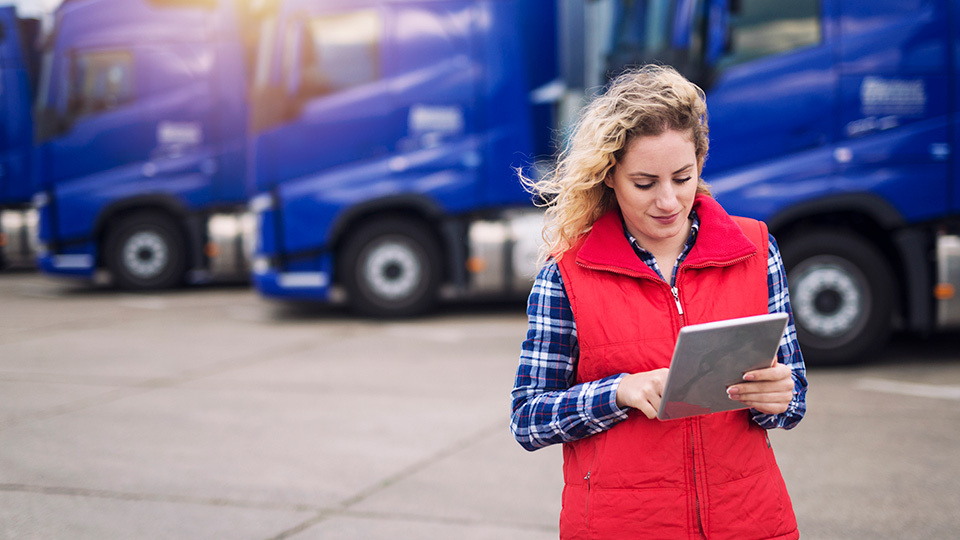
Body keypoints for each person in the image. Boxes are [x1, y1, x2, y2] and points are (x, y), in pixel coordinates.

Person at [510, 65, 807, 540]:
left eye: (683, 177)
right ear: (610, 176)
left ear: (700, 165)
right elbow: (528, 418)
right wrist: (617, 392)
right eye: (645, 183)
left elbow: (792, 396)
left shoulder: (756, 249)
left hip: (749, 521)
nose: (669, 200)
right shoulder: (566, 274)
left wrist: (781, 397)